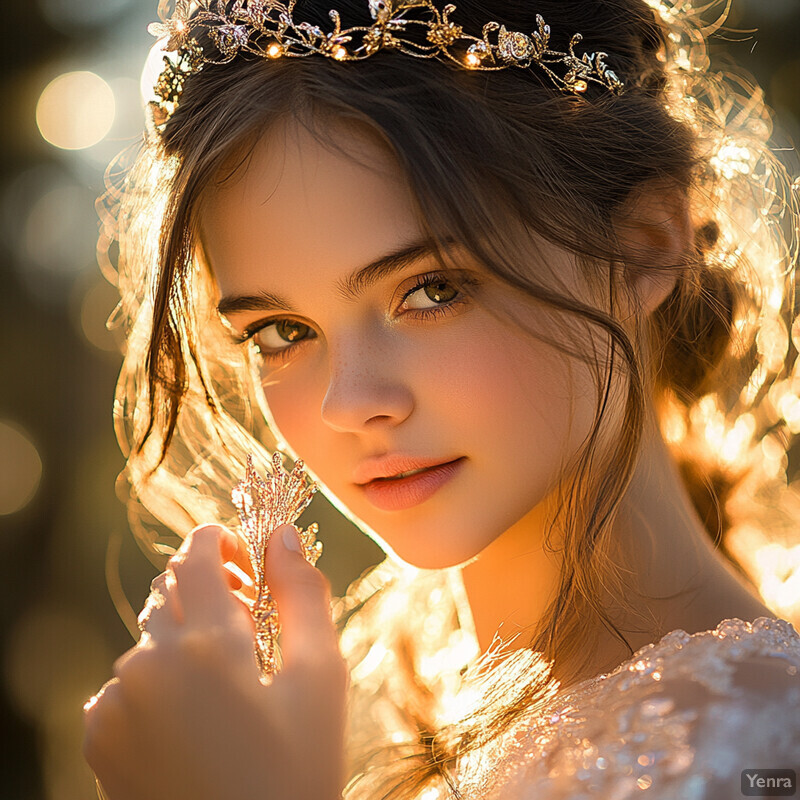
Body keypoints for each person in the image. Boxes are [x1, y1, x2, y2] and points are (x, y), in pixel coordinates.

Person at [83, 0, 800, 798]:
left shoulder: (749, 752)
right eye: (282, 332)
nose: (349, 404)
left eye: (431, 289)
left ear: (642, 247)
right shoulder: (391, 708)